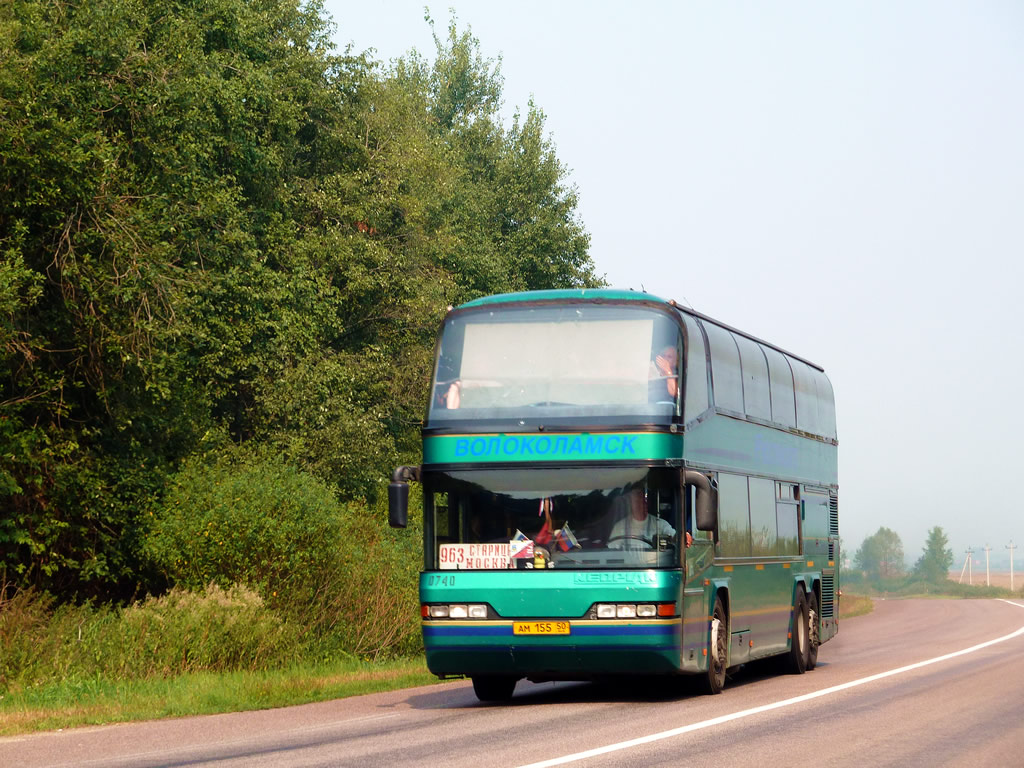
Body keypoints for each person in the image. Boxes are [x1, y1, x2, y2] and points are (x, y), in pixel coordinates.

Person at [607, 487, 676, 549]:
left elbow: (676, 539)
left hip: (655, 562)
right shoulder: (619, 527)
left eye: (643, 500)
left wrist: (683, 538)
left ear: (647, 503)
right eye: (636, 501)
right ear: (630, 504)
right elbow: (612, 552)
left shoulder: (661, 524)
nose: (641, 504)